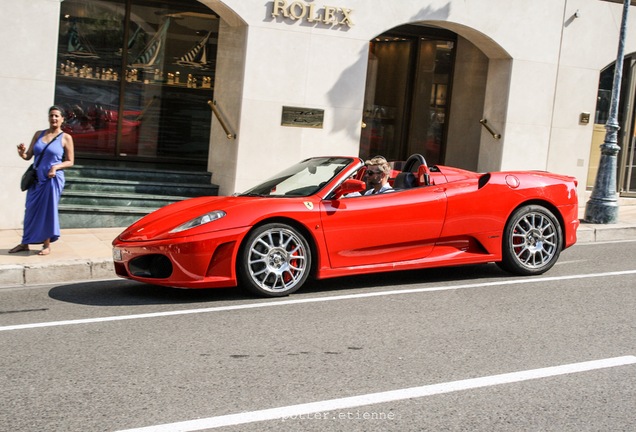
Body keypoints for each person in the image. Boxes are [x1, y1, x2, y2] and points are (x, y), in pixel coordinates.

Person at [10, 106, 75, 256]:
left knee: (47, 211)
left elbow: (70, 161)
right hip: (36, 178)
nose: (54, 118)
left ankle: (46, 244)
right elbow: (28, 156)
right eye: (51, 115)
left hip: (52, 179)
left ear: (62, 119)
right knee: (30, 210)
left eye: (57, 116)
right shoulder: (38, 134)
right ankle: (25, 243)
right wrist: (22, 153)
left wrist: (56, 167)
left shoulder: (66, 137)